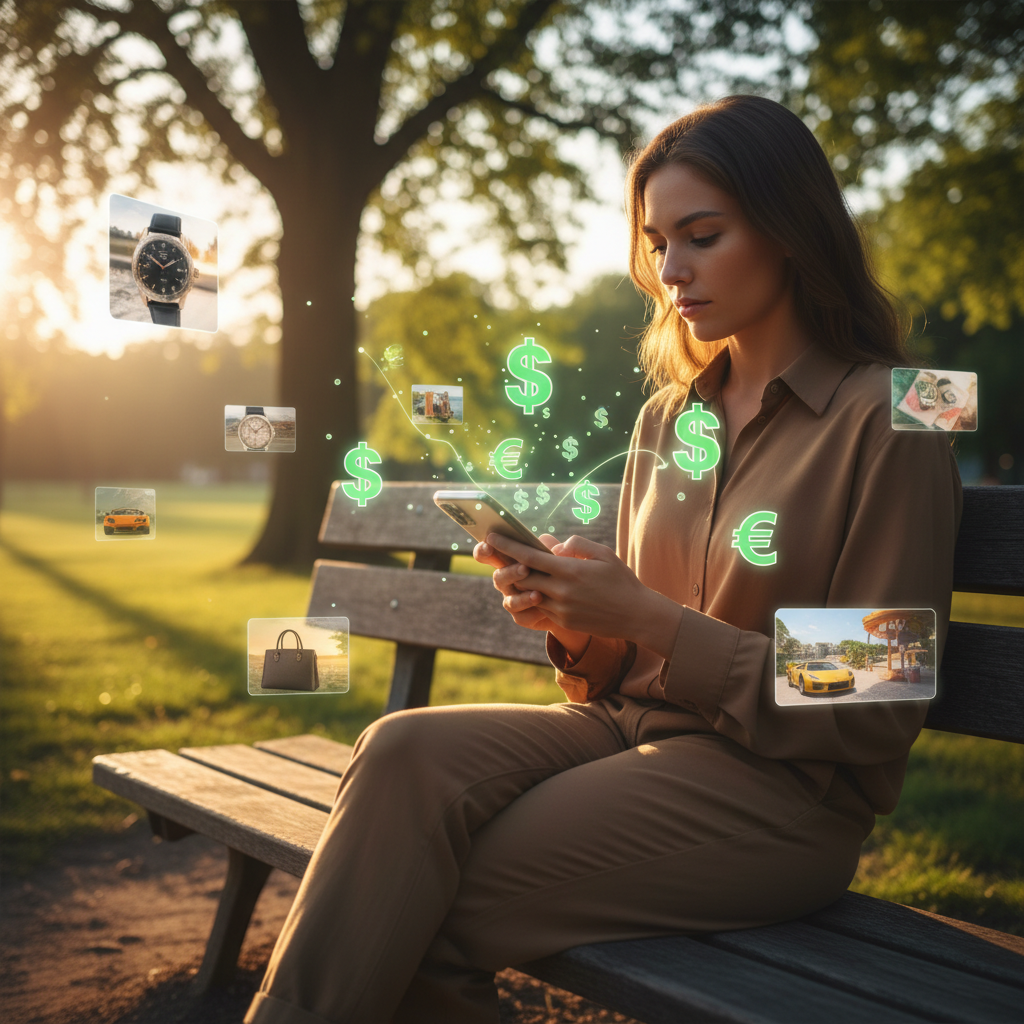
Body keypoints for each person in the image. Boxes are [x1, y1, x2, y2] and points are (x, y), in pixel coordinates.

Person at [245, 95, 961, 1024]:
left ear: (789, 229)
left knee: (414, 900)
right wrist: (578, 620)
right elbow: (620, 667)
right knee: (399, 751)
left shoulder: (908, 409)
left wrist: (652, 620)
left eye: (701, 236)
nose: (672, 272)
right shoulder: (669, 416)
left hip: (785, 794)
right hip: (630, 733)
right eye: (659, 243)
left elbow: (882, 689)